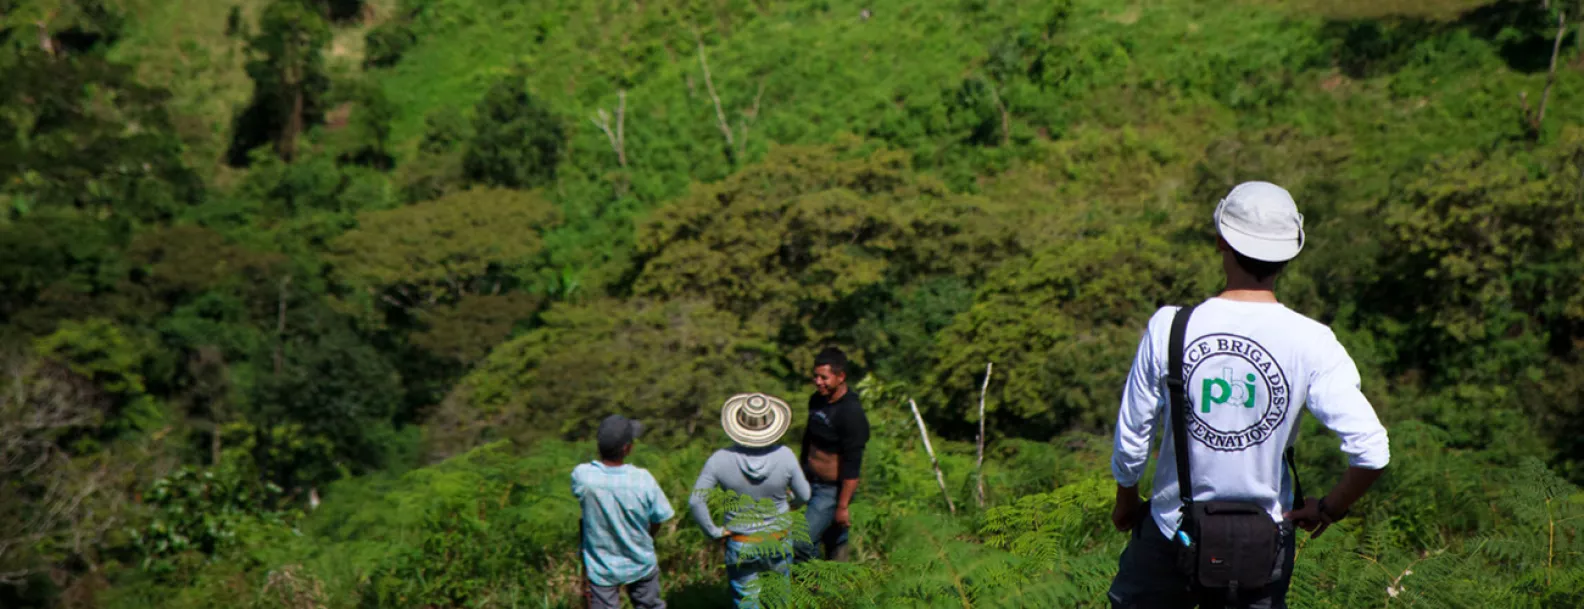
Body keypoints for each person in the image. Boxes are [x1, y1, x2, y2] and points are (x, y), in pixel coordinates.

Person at [1107, 181, 1391, 608]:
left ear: (1221, 239)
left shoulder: (1170, 327)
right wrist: (1329, 509)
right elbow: (1372, 453)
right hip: (1262, 550)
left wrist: (1127, 502)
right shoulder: (1312, 341)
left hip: (1170, 535)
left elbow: (1133, 440)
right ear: (1291, 251)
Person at [689, 393, 812, 608]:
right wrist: (789, 501)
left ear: (738, 424)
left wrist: (714, 532)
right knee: (779, 600)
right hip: (778, 538)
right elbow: (806, 495)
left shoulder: (719, 459)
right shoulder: (785, 455)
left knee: (747, 603)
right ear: (771, 424)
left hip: (741, 542)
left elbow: (695, 502)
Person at [573, 414, 675, 609]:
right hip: (640, 559)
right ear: (627, 448)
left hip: (601, 565)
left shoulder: (583, 477)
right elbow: (659, 518)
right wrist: (647, 536)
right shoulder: (643, 479)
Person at [795, 347, 870, 563]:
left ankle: (812, 588)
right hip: (810, 482)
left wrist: (842, 506)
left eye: (824, 378)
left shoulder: (851, 413)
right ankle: (831, 590)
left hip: (832, 490)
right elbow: (808, 441)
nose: (818, 382)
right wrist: (798, 476)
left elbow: (853, 463)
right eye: (815, 376)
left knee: (800, 542)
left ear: (840, 377)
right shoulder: (816, 401)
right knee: (833, 540)